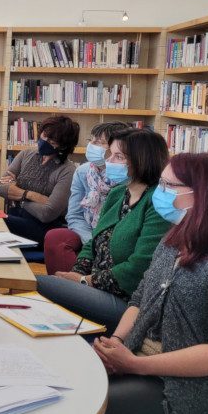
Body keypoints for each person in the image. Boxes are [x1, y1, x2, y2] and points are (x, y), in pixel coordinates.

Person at [91, 152, 208, 414]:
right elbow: (139, 300)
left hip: (184, 388)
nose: (159, 192)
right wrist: (117, 343)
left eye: (168, 186)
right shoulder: (172, 240)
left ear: (204, 195)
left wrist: (136, 364)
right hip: (135, 358)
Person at [36, 127, 171, 334]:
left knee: (37, 285)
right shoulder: (118, 193)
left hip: (127, 302)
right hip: (96, 286)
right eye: (110, 154)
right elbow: (93, 244)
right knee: (54, 287)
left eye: (118, 156)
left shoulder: (156, 203)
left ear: (141, 160)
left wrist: (84, 281)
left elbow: (139, 268)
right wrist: (77, 273)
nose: (109, 161)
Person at [44, 122, 132, 274]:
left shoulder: (125, 177)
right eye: (90, 141)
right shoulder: (83, 172)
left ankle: (85, 286)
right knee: (56, 237)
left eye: (99, 142)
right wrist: (91, 241)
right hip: (88, 231)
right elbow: (74, 214)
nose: (91, 146)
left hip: (116, 238)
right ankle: (69, 287)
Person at [0, 115, 80, 244]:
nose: (45, 141)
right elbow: (0, 187)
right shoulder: (26, 154)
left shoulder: (67, 171)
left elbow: (47, 213)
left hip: (43, 229)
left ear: (62, 146)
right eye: (44, 136)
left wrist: (21, 198)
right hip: (16, 215)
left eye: (52, 142)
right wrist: (32, 196)